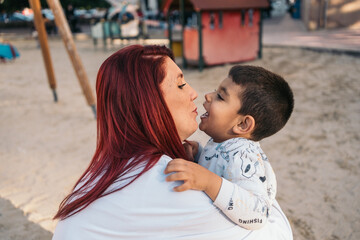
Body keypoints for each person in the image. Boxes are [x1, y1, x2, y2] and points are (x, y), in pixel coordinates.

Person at [52, 45, 293, 240]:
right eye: (180, 84)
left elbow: (255, 209)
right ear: (148, 102)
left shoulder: (110, 166)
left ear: (243, 125)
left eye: (220, 96)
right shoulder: (169, 180)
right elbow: (276, 234)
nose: (196, 93)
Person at [165, 65, 294, 230]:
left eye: (220, 96)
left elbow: (258, 213)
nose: (208, 96)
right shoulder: (225, 144)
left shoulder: (243, 156)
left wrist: (208, 182)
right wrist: (199, 154)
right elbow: (222, 167)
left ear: (242, 124)